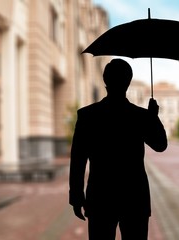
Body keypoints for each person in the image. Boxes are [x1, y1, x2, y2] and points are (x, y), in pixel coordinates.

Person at [69, 58, 167, 240]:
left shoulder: (88, 115)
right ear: (128, 81)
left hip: (100, 197)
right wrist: (153, 118)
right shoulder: (140, 116)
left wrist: (76, 196)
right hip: (134, 198)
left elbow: (78, 159)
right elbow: (160, 145)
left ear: (105, 80)